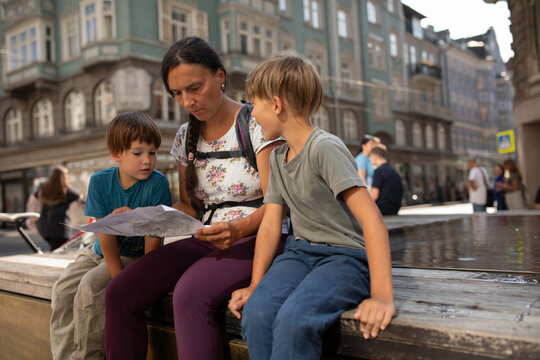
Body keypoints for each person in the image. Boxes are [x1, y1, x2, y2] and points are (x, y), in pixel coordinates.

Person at [104, 36, 285, 360]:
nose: (187, 100)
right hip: (207, 235)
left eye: (194, 87)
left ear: (219, 75)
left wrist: (238, 229)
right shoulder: (186, 136)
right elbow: (190, 205)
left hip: (260, 235)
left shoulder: (256, 124)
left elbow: (278, 202)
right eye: (177, 93)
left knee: (189, 294)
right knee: (120, 292)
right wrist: (145, 217)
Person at [228, 54, 395, 360]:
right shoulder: (278, 158)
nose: (252, 117)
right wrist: (255, 283)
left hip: (345, 259)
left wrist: (382, 295)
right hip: (300, 254)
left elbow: (372, 222)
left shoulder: (325, 148)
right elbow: (270, 224)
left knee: (295, 320)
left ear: (276, 105)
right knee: (259, 311)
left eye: (255, 107)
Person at [49, 112, 172, 360]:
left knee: (91, 287)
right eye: (138, 153)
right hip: (99, 251)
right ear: (117, 154)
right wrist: (115, 273)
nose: (147, 160)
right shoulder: (99, 182)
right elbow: (103, 234)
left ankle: (88, 356)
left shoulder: (157, 184)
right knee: (62, 290)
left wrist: (123, 281)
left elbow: (153, 246)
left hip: (136, 256)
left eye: (153, 152)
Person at [34, 165, 84, 250]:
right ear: (64, 176)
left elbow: (35, 197)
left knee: (55, 249)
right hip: (60, 228)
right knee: (61, 250)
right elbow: (80, 197)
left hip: (44, 226)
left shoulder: (44, 187)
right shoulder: (67, 190)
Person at [369, 146, 404, 215]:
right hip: (395, 208)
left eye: (370, 157)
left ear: (375, 156)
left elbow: (374, 195)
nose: (370, 159)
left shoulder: (378, 171)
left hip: (382, 208)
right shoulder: (393, 172)